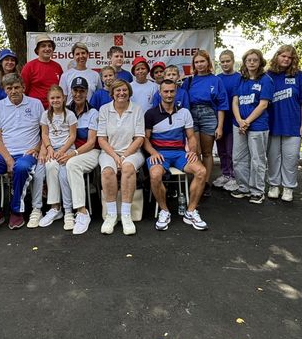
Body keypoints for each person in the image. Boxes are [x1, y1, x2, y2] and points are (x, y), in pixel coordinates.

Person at [0, 73, 44, 237]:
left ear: (23, 87)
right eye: (9, 88)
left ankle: (16, 210)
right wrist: (8, 159)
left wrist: (37, 148)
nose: (13, 91)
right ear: (4, 90)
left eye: (16, 87)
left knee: (22, 167)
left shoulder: (35, 104)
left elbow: (44, 133)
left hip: (28, 153)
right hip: (5, 153)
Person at [145, 79, 209, 231]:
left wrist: (192, 151)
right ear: (160, 93)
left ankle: (191, 211)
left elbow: (191, 137)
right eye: (165, 91)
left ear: (176, 92)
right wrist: (153, 152)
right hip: (160, 154)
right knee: (155, 175)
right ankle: (164, 211)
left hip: (180, 154)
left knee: (202, 171)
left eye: (172, 91)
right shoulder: (150, 114)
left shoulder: (184, 112)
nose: (168, 94)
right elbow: (145, 139)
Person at [97, 79, 146, 236]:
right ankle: (111, 215)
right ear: (112, 93)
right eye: (117, 90)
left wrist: (124, 156)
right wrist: (114, 156)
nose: (121, 93)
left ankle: (126, 215)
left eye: (124, 90)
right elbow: (101, 139)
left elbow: (139, 138)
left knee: (128, 168)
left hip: (132, 153)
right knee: (107, 172)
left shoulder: (137, 110)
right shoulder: (104, 109)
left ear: (129, 92)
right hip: (109, 152)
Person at [266, 45, 302, 202]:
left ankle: (288, 187)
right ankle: (273, 185)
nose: (286, 59)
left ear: (293, 60)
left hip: (293, 125)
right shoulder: (268, 75)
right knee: (272, 157)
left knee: (291, 158)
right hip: (271, 124)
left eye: (289, 57)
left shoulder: (299, 76)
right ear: (277, 56)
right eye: (283, 56)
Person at [183, 50, 229, 197]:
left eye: (202, 61)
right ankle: (197, 179)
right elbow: (182, 99)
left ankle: (206, 182)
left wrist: (220, 126)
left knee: (207, 152)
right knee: (195, 151)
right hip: (192, 115)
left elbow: (222, 104)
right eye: (197, 62)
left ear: (208, 62)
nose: (200, 64)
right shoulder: (189, 81)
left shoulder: (216, 80)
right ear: (193, 64)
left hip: (209, 115)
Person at [231, 49, 273, 203]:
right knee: (238, 158)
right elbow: (235, 102)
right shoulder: (240, 79)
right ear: (245, 62)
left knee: (257, 159)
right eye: (249, 60)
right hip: (239, 124)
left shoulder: (266, 80)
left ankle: (257, 191)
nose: (252, 63)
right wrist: (240, 121)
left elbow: (263, 105)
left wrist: (247, 121)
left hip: (258, 125)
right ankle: (243, 187)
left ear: (260, 62)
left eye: (255, 60)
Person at [35, 85, 78, 229]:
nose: (55, 100)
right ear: (48, 100)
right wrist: (49, 149)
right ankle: (55, 207)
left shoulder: (70, 114)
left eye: (58, 97)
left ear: (64, 98)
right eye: (52, 98)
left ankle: (68, 210)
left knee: (64, 175)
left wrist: (63, 150)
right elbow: (45, 134)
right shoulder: (45, 115)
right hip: (52, 150)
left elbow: (72, 136)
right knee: (50, 167)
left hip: (66, 149)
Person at [64, 78, 102, 234]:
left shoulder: (93, 112)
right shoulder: (65, 110)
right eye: (75, 90)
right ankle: (61, 209)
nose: (78, 94)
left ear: (87, 93)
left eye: (82, 91)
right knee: (53, 163)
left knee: (72, 164)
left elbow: (92, 142)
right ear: (71, 91)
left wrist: (73, 154)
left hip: (90, 151)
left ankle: (82, 212)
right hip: (71, 149)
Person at [215, 49, 242, 193]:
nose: (225, 64)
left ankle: (234, 176)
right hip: (220, 119)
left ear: (233, 61)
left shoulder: (240, 77)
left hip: (234, 118)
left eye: (228, 61)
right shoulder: (217, 78)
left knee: (232, 150)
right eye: (222, 61)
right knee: (222, 150)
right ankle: (225, 174)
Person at [22, 33, 63, 108]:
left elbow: (61, 89)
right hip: (34, 109)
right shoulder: (29, 67)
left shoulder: (57, 67)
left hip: (55, 109)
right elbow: (24, 90)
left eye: (49, 46)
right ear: (37, 50)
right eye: (43, 46)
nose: (47, 49)